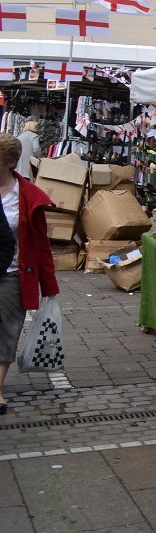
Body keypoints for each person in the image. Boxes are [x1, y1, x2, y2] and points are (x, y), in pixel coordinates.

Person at [0, 132, 61, 415]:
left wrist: (49, 286)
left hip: (13, 273)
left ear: (10, 163)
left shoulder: (25, 196)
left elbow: (40, 244)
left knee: (7, 329)